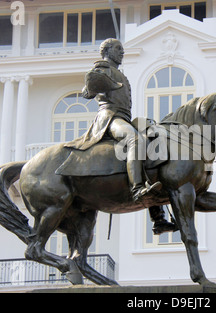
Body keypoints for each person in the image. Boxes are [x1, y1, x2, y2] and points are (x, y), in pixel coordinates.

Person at [65, 38, 176, 234]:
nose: (121, 52)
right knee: (134, 139)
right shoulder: (102, 67)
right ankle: (137, 188)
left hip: (124, 118)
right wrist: (98, 81)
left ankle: (158, 218)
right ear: (106, 51)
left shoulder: (120, 74)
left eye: (122, 49)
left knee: (153, 141)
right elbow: (87, 92)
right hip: (109, 117)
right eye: (118, 49)